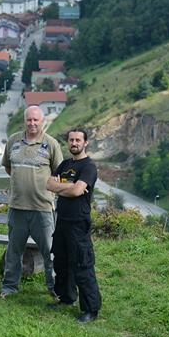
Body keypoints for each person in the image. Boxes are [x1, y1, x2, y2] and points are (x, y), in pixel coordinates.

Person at [0, 105, 64, 299]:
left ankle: (55, 288)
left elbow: (59, 174)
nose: (32, 123)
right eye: (29, 119)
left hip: (42, 208)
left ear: (42, 121)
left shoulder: (51, 144)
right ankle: (10, 287)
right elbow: (8, 167)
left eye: (36, 120)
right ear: (24, 120)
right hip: (17, 207)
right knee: (13, 251)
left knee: (50, 252)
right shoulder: (13, 141)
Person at [46, 128, 101, 324]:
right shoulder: (65, 164)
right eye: (71, 140)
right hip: (62, 221)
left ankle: (90, 309)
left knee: (82, 264)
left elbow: (78, 191)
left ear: (85, 143)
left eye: (78, 140)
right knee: (61, 262)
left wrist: (66, 188)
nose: (74, 143)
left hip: (78, 223)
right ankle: (66, 298)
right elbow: (49, 184)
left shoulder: (89, 167)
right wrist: (69, 188)